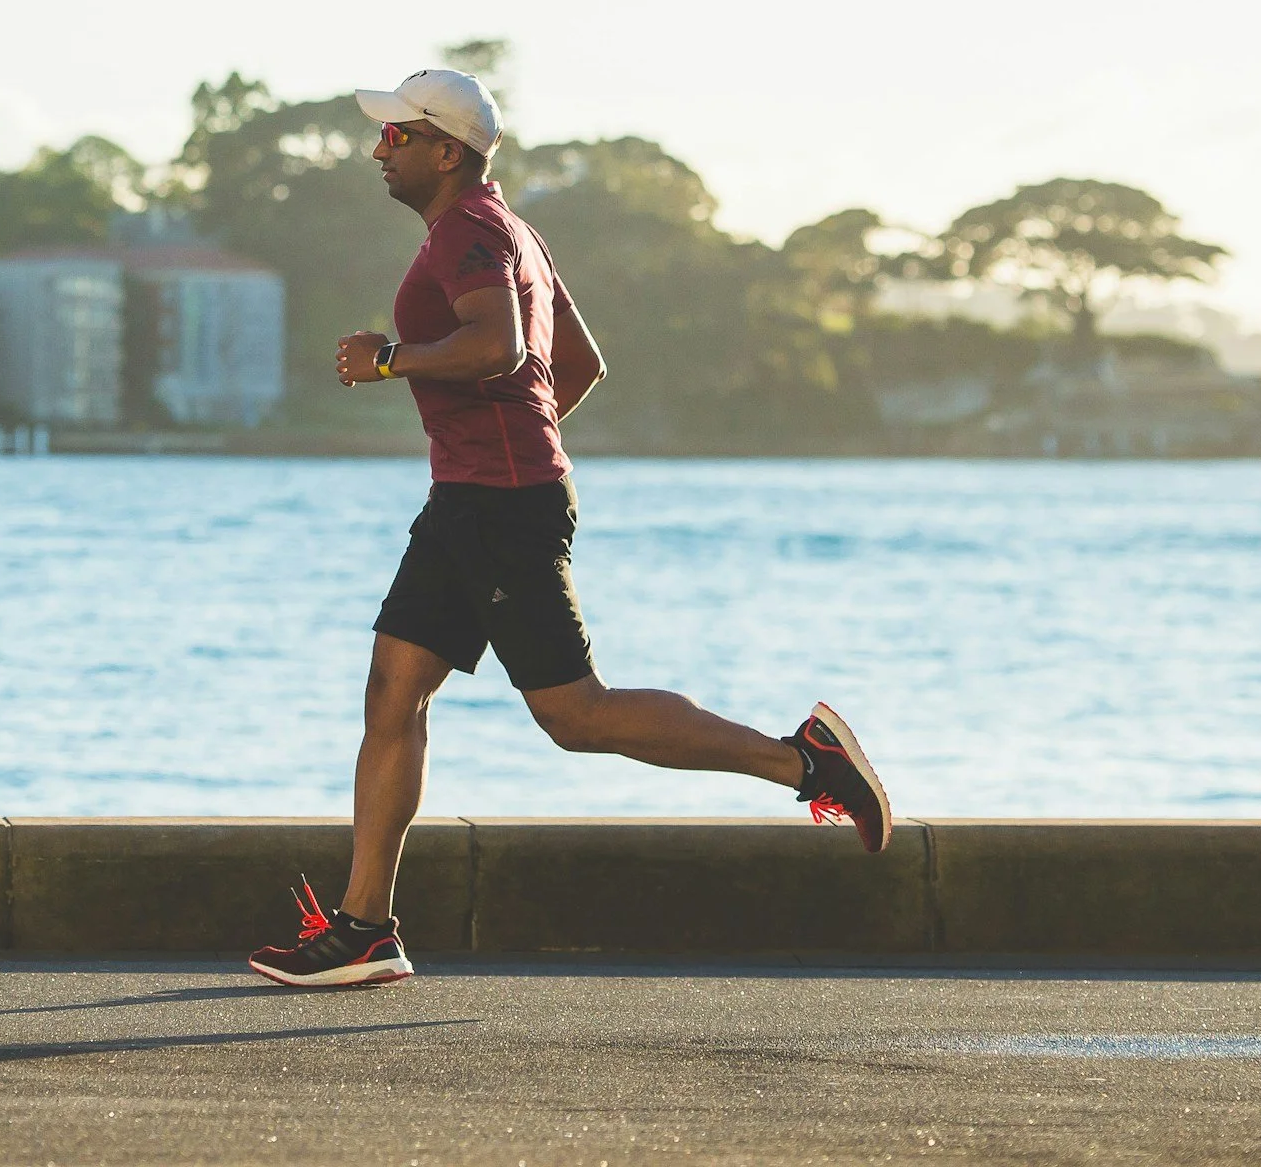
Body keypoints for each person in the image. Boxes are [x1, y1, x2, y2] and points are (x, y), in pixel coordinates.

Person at [249, 68, 890, 988]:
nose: (379, 149)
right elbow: (578, 364)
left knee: (575, 715)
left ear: (446, 150)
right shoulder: (514, 232)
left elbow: (504, 348)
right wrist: (515, 440)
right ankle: (365, 928)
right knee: (394, 693)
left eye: (397, 136)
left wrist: (393, 360)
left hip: (497, 508)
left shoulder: (471, 232)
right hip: (477, 500)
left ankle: (805, 763)